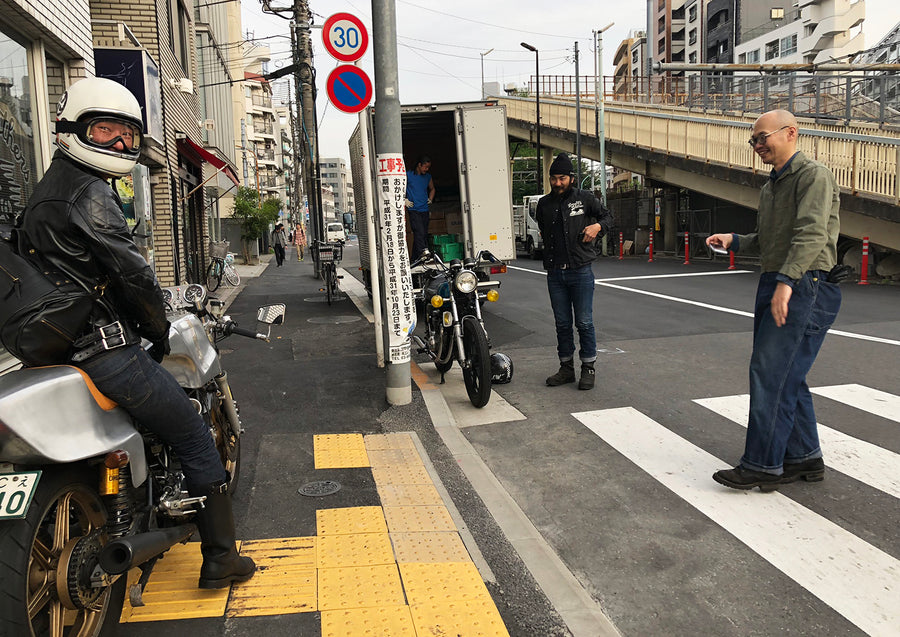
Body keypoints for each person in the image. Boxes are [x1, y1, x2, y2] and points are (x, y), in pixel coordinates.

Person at [19, 77, 255, 588]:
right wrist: (156, 328)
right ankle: (219, 558)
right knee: (192, 431)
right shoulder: (90, 192)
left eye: (127, 134)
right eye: (105, 130)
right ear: (73, 130)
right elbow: (133, 275)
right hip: (104, 350)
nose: (120, 144)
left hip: (56, 349)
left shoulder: (42, 195)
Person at [707, 109, 841, 492]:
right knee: (786, 375)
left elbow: (811, 233)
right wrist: (734, 240)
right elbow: (767, 240)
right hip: (779, 280)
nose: (758, 145)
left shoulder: (812, 175)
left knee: (769, 373)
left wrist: (787, 283)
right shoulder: (771, 187)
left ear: (791, 133)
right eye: (754, 140)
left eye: (763, 137)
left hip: (804, 284)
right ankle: (805, 458)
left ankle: (763, 464)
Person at [536, 152, 613, 390]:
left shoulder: (585, 198)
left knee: (584, 322)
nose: (557, 183)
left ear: (571, 178)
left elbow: (609, 217)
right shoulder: (544, 204)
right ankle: (566, 368)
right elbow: (542, 227)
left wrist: (598, 226)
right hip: (555, 273)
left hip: (580, 270)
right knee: (562, 324)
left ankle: (588, 368)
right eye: (553, 179)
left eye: (562, 178)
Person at [405, 154, 436, 259]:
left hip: (424, 209)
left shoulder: (427, 177)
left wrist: (430, 199)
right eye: (425, 167)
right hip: (414, 209)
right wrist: (404, 199)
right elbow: (399, 188)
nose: (426, 169)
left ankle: (415, 258)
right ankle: (424, 253)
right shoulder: (408, 175)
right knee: (419, 231)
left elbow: (432, 189)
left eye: (428, 167)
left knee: (423, 233)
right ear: (419, 165)